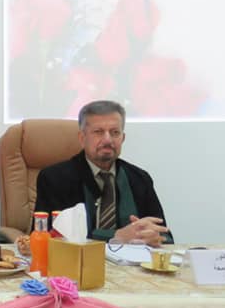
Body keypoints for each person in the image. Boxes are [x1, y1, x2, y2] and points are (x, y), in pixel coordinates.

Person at [34, 99, 172, 245]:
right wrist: (115, 236)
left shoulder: (139, 178)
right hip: (78, 258)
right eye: (98, 132)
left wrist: (152, 236)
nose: (107, 140)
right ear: (82, 138)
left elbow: (165, 235)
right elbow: (49, 233)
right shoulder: (55, 178)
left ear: (123, 138)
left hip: (132, 259)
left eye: (115, 132)